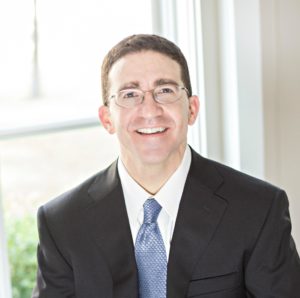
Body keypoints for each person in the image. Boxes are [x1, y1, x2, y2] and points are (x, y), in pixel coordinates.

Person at [32, 34, 300, 298]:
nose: (150, 110)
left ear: (192, 109)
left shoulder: (258, 209)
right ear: (107, 119)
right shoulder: (62, 223)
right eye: (129, 94)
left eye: (165, 91)